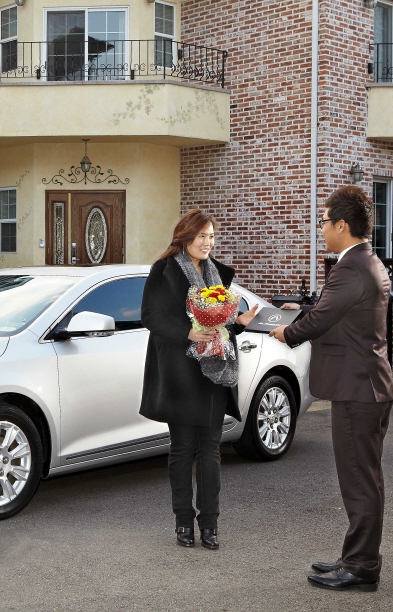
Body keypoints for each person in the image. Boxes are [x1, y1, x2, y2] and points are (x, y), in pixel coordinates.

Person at [268, 185, 393, 592]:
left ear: (341, 225)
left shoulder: (351, 267)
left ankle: (361, 567)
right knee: (364, 478)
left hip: (359, 390)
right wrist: (302, 310)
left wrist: (285, 331)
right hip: (367, 387)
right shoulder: (365, 261)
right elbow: (335, 311)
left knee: (359, 481)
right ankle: (356, 558)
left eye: (323, 221)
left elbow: (321, 321)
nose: (320, 228)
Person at [140, 209, 258, 550]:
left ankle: (209, 525)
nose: (208, 243)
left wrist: (239, 323)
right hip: (179, 372)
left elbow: (220, 322)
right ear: (185, 236)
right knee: (182, 449)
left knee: (210, 450)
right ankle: (183, 522)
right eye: (201, 236)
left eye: (211, 236)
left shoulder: (217, 273)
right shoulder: (164, 269)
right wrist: (188, 333)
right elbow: (151, 316)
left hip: (213, 371)